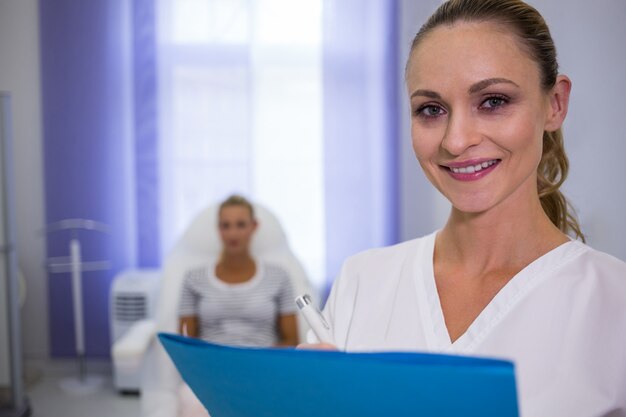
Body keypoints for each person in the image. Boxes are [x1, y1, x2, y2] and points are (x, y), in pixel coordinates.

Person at [305, 1, 626, 416]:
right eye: (431, 109)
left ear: (555, 104)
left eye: (493, 101)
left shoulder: (613, 303)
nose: (455, 141)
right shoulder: (362, 283)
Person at [177, 194, 299, 416]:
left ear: (254, 227)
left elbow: (292, 339)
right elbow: (185, 343)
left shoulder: (278, 277)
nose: (233, 233)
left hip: (263, 369)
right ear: (219, 229)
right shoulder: (193, 279)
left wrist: (253, 364)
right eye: (226, 226)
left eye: (240, 225)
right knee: (195, 404)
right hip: (211, 371)